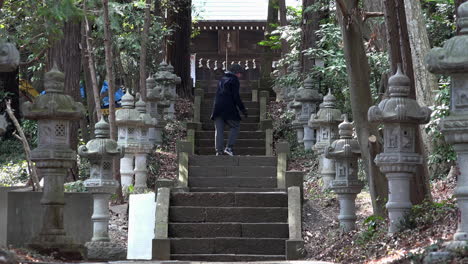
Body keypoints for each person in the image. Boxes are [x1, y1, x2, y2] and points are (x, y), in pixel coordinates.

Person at [210, 64, 248, 156]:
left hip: (217, 108)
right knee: (235, 125)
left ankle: (219, 151)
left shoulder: (222, 79)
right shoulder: (234, 80)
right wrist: (243, 109)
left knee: (219, 130)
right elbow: (236, 96)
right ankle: (229, 147)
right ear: (236, 73)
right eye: (240, 74)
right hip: (228, 107)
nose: (241, 76)